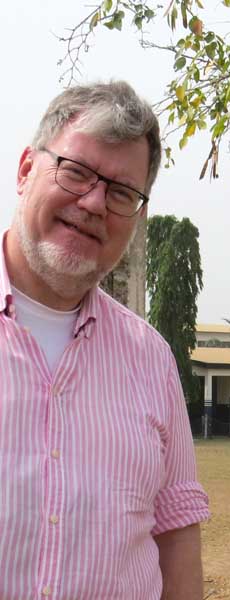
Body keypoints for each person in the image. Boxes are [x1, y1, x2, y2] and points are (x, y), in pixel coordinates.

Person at [0, 81, 210, 599]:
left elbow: (177, 536)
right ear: (27, 170)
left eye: (121, 192)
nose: (94, 203)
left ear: (138, 216)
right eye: (75, 172)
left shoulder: (150, 358)